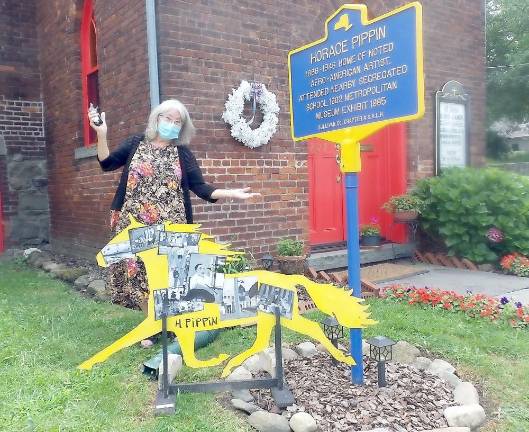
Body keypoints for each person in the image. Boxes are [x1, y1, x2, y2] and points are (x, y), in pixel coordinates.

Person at [89, 99, 259, 310]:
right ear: (157, 119)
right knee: (139, 274)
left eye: (177, 122)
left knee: (169, 275)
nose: (172, 123)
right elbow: (106, 163)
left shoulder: (182, 153)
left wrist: (232, 193)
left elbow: (201, 187)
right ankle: (151, 326)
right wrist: (101, 133)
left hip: (171, 227)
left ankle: (172, 323)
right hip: (135, 225)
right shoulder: (135, 143)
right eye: (168, 118)